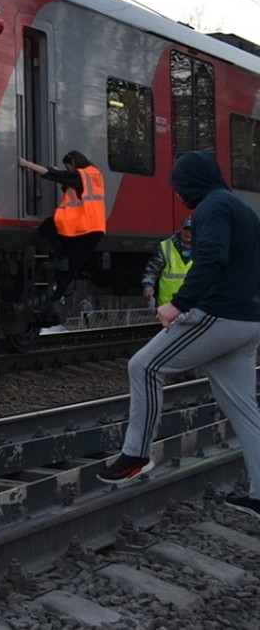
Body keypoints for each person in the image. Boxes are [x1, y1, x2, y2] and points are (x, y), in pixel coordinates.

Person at [95, 151, 260, 521]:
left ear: (192, 183)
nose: (178, 195)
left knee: (145, 367)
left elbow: (212, 259)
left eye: (179, 187)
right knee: (245, 410)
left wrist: (179, 304)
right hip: (249, 321)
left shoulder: (212, 208)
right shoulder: (243, 209)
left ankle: (135, 457)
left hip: (219, 315)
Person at [17, 151, 106, 309]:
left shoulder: (79, 176)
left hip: (81, 228)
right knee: (71, 270)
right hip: (95, 230)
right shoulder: (94, 175)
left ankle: (61, 258)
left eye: (68, 167)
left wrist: (27, 164)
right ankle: (55, 300)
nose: (69, 170)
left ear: (74, 163)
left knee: (47, 227)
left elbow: (55, 175)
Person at [141, 216, 194, 307]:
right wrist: (148, 285)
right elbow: (152, 269)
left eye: (191, 230)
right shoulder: (166, 246)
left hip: (193, 304)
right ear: (180, 228)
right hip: (168, 305)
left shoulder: (203, 248)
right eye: (186, 229)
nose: (188, 233)